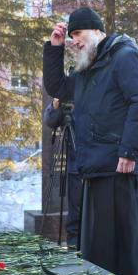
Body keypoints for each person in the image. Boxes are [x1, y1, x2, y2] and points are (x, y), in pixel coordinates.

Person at [42, 6, 138, 275]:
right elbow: (58, 88)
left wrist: (128, 151)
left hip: (118, 167)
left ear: (97, 31)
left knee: (122, 250)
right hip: (93, 167)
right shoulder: (88, 67)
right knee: (98, 251)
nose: (75, 40)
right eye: (71, 36)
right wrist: (55, 49)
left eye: (78, 33)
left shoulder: (124, 56)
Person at [43, 98, 82, 248]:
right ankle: (73, 243)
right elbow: (51, 121)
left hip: (93, 160)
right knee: (75, 208)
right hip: (74, 164)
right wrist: (55, 105)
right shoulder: (66, 96)